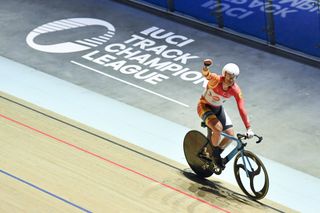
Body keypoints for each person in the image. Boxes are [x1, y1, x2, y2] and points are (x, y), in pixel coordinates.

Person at [197, 58, 254, 168]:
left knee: (230, 134)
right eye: (228, 76)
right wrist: (206, 67)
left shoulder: (236, 90)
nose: (230, 79)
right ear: (224, 74)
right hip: (204, 106)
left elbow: (241, 108)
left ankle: (216, 152)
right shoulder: (215, 80)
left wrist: (248, 128)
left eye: (232, 77)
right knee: (218, 129)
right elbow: (206, 74)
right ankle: (214, 153)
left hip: (218, 109)